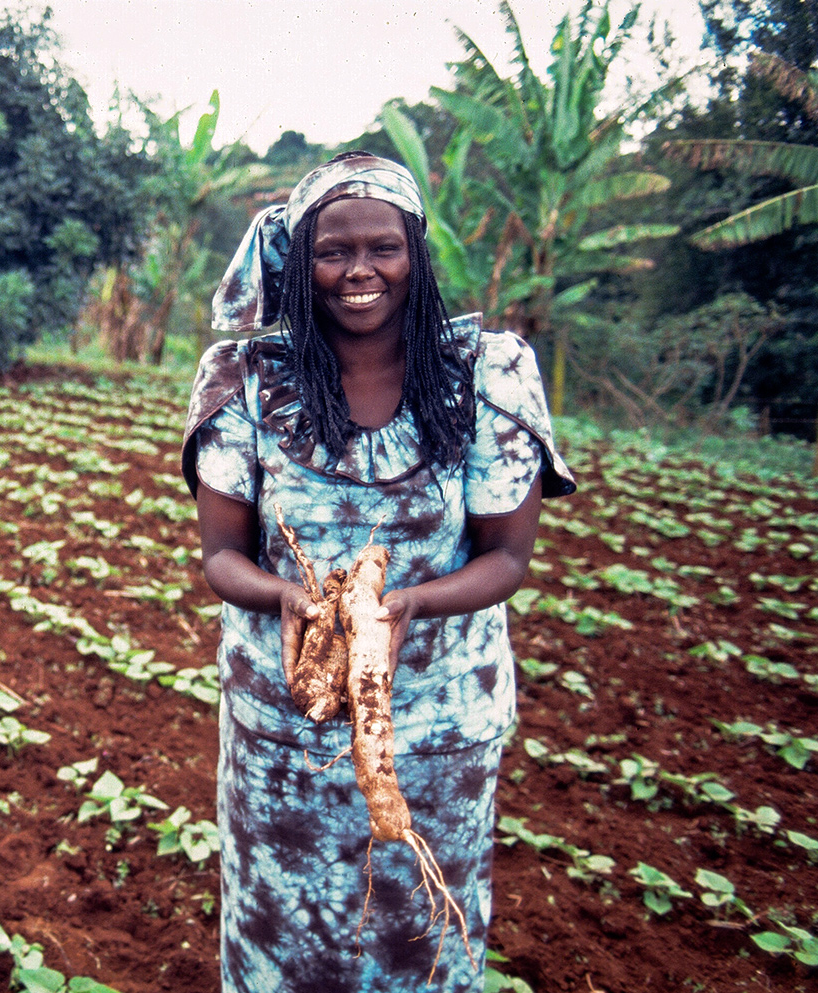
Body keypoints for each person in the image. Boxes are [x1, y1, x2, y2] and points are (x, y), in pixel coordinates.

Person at [181, 151, 575, 993]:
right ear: (301, 264)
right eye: (333, 251)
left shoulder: (486, 376)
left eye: (383, 248)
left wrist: (408, 607)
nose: (360, 271)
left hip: (439, 728)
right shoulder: (243, 381)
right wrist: (286, 594)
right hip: (281, 732)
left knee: (421, 937)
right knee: (281, 939)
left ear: (416, 255)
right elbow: (221, 556)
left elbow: (507, 555)